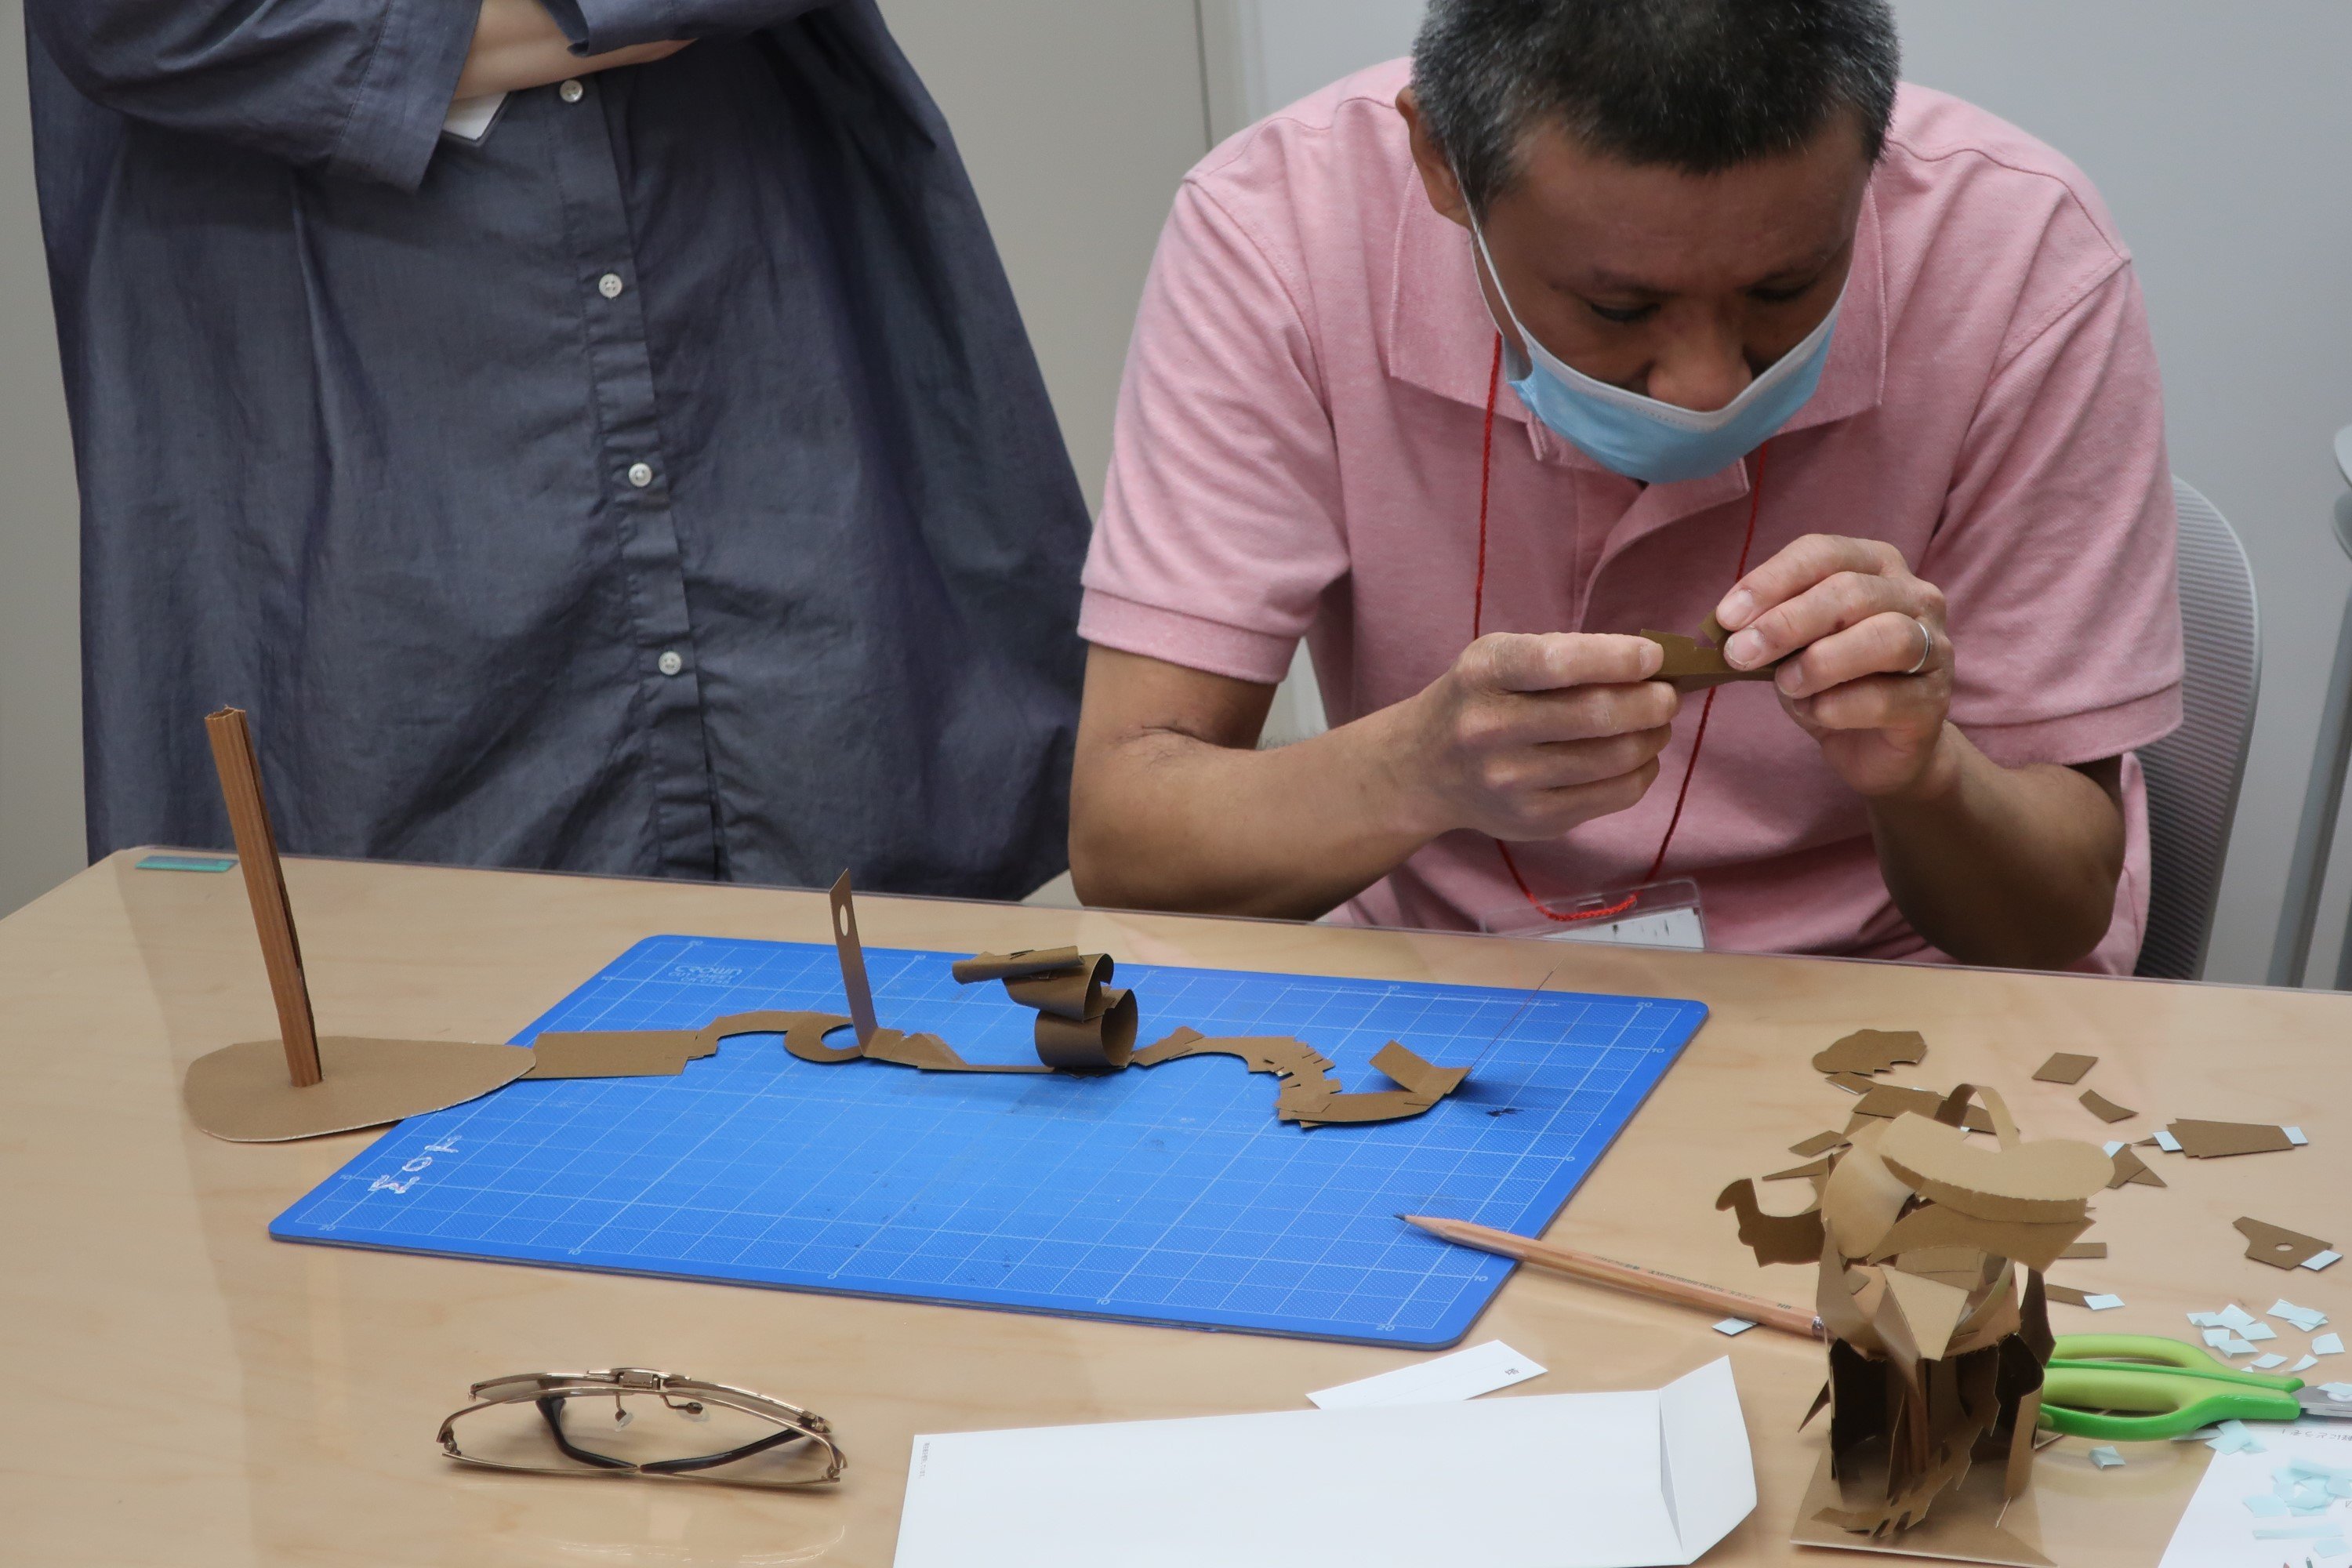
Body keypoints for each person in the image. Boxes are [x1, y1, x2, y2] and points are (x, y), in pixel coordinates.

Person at [1070, 0, 2183, 971]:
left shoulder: (2022, 257)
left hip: (1898, 985)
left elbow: (2055, 919)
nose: (1705, 387)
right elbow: (1127, 841)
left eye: (1785, 287)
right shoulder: (1280, 233)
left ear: (1871, 163)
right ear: (1442, 165)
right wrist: (1416, 770)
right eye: (1619, 308)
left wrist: (1927, 776)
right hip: (1456, 988)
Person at [30, 0, 1088, 898]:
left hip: (761, 391)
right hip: (370, 502)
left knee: (868, 1006)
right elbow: (146, 23)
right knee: (401, 1012)